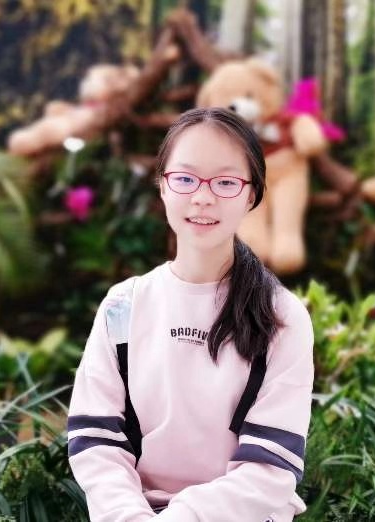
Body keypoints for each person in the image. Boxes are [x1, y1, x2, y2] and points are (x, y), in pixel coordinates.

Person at [66, 107, 314, 521]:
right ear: (163, 186)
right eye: (185, 178)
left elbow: (272, 467)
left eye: (226, 182)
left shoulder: (282, 316)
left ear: (252, 194)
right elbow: (95, 439)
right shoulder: (122, 306)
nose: (203, 197)